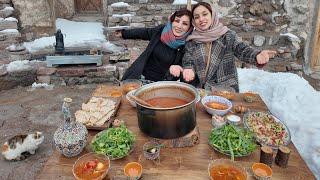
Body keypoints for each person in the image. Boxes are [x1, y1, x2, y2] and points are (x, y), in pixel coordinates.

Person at [169, 2, 277, 92]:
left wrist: (256, 55)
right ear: (194, 21)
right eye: (196, 17)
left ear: (212, 15)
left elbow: (241, 49)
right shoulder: (192, 40)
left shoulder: (227, 35)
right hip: (199, 90)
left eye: (205, 14)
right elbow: (188, 59)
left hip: (224, 88)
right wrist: (188, 69)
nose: (201, 19)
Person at [115, 9, 193, 82]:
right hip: (140, 78)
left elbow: (183, 70)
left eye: (185, 24)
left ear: (189, 28)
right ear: (172, 21)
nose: (179, 26)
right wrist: (124, 33)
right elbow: (144, 32)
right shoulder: (161, 31)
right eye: (177, 21)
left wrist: (176, 69)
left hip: (161, 85)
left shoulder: (188, 45)